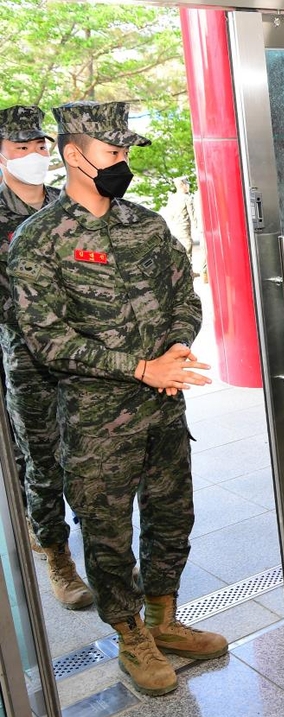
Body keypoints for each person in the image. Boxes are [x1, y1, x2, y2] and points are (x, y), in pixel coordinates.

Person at [8, 101, 227, 697]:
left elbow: (186, 293)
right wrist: (138, 367)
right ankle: (131, 634)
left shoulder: (146, 225)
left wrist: (178, 346)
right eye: (113, 152)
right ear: (73, 154)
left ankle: (163, 617)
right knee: (106, 533)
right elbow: (47, 341)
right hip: (96, 417)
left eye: (126, 151)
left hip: (164, 407)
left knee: (171, 517)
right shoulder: (38, 241)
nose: (123, 161)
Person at [0, 105, 92, 609]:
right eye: (21, 147)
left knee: (85, 452)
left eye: (39, 145)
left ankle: (100, 549)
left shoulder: (68, 205)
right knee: (39, 459)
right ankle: (56, 553)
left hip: (79, 353)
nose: (34, 155)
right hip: (27, 357)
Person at [163, 176, 197, 275]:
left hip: (175, 228)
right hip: (184, 228)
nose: (188, 187)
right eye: (187, 184)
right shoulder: (187, 198)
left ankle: (183, 271)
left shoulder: (172, 198)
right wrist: (196, 226)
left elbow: (169, 214)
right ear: (182, 185)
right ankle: (188, 272)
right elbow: (192, 214)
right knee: (187, 249)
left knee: (178, 249)